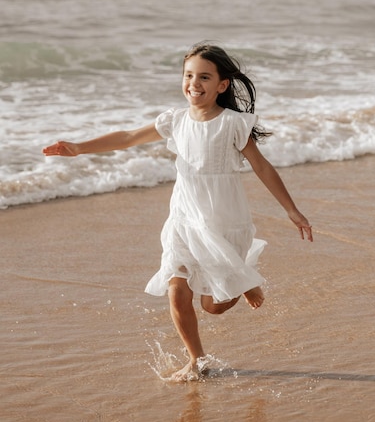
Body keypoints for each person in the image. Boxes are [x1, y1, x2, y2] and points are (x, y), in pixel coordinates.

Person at [43, 42, 313, 382]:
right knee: (176, 288)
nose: (193, 83)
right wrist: (80, 148)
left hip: (222, 220)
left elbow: (262, 167)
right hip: (184, 217)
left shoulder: (232, 124)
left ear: (222, 85)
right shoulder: (175, 120)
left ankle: (244, 280)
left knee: (212, 306)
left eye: (204, 76)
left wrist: (292, 210)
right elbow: (127, 137)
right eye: (188, 75)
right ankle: (197, 361)